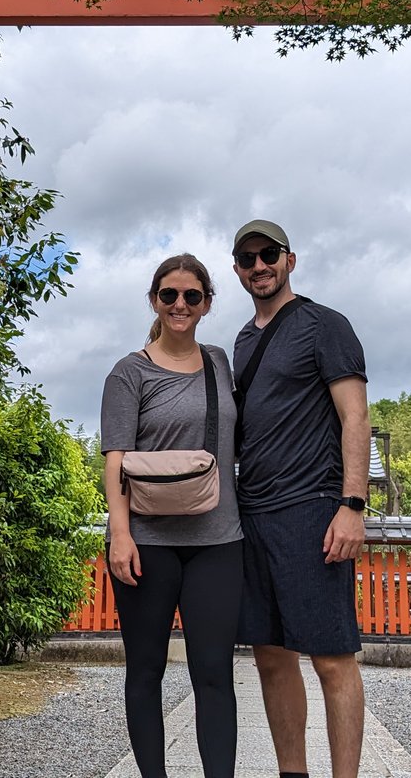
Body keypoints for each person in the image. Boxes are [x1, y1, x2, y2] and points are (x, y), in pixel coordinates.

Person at [230, 219, 371, 778]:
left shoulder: (324, 325)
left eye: (269, 255)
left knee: (332, 658)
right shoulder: (242, 340)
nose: (259, 266)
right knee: (269, 655)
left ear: (291, 259)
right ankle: (293, 772)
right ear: (237, 269)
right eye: (247, 259)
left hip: (313, 506)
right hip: (253, 512)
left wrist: (351, 505)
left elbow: (354, 416)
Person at [100, 253, 243, 778]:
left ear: (207, 303)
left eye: (192, 296)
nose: (180, 304)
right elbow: (115, 458)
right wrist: (120, 535)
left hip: (218, 539)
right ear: (154, 301)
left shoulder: (219, 362)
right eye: (169, 295)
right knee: (145, 670)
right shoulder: (129, 372)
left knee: (214, 673)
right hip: (147, 540)